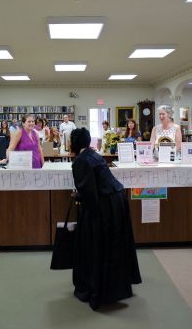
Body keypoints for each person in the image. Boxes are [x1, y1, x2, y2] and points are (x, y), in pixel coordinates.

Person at [70, 128, 141, 310]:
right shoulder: (94, 155)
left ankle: (98, 289)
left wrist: (76, 196)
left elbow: (89, 194)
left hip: (104, 203)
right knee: (113, 244)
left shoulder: (80, 161)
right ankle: (116, 287)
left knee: (96, 244)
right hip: (117, 200)